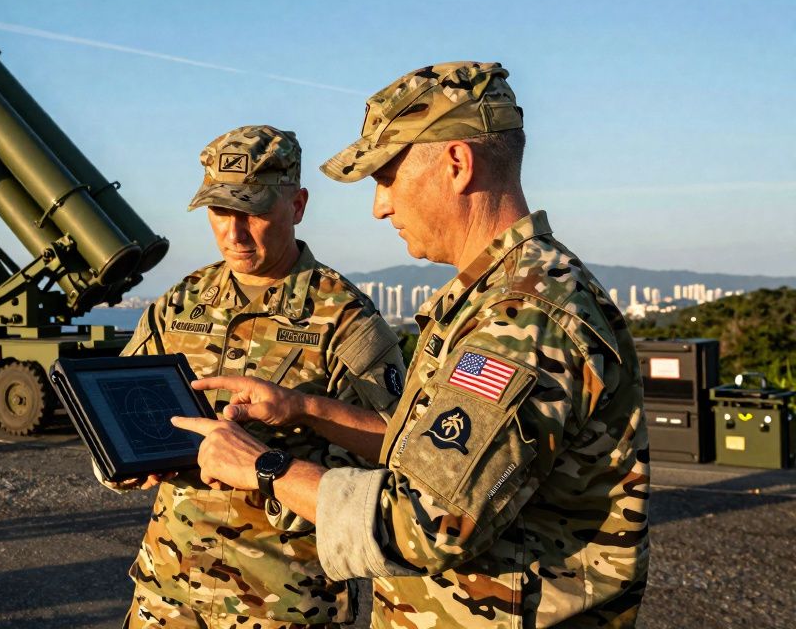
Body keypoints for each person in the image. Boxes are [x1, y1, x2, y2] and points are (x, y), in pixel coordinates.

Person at [173, 63, 649, 628]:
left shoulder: (521, 318)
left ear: (456, 164)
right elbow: (429, 459)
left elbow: (428, 522)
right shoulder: (500, 297)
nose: (379, 206)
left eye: (386, 177)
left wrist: (265, 467)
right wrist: (303, 407)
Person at [105, 125, 408, 628]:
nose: (234, 233)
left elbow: (397, 445)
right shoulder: (182, 302)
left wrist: (300, 414)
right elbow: (118, 406)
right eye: (221, 212)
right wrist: (121, 462)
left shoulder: (344, 317)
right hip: (169, 588)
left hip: (284, 599)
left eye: (255, 212)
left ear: (298, 205)